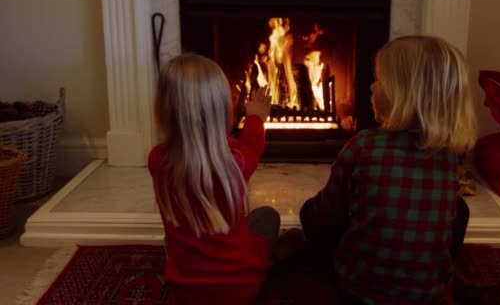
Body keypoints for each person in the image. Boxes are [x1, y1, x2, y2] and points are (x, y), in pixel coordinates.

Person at [299, 36, 477, 305]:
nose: (371, 87)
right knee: (459, 210)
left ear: (403, 95)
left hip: (359, 292)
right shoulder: (448, 156)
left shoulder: (363, 145)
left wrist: (312, 211)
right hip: (427, 295)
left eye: (380, 81)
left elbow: (327, 214)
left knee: (313, 214)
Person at [148, 53, 277, 305]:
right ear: (223, 112)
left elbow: (193, 147)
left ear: (163, 110)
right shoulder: (236, 162)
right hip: (242, 289)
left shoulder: (158, 161)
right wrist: (255, 117)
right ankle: (279, 254)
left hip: (188, 293)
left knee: (171, 237)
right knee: (268, 218)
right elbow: (252, 143)